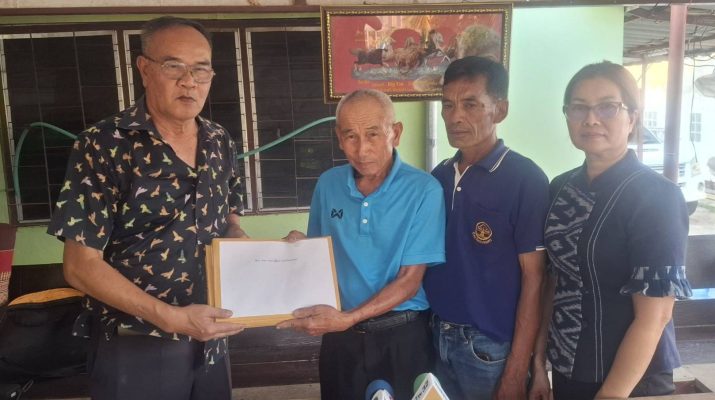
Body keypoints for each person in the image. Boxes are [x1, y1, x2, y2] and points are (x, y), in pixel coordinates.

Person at [46, 16, 248, 400]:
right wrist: (170, 317)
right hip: (136, 342)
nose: (189, 81)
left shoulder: (219, 141)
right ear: (145, 69)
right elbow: (80, 266)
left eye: (201, 69)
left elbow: (230, 218)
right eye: (174, 66)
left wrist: (250, 245)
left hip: (212, 335)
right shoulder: (104, 144)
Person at [529, 61, 693, 400]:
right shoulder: (560, 188)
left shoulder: (656, 197)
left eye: (607, 107)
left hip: (632, 380)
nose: (591, 119)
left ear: (632, 117)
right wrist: (539, 363)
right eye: (579, 108)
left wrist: (611, 394)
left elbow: (656, 316)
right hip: (568, 368)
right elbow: (554, 282)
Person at [278, 89, 446, 400]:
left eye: (372, 134)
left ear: (395, 133)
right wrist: (299, 248)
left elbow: (410, 281)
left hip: (402, 337)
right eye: (350, 136)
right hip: (341, 337)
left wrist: (349, 318)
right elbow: (320, 255)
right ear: (339, 138)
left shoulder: (424, 190)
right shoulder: (328, 184)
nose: (362, 149)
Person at [422, 56, 549, 400]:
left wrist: (517, 371)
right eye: (448, 105)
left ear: (500, 110)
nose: (455, 117)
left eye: (470, 104)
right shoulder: (439, 177)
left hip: (490, 349)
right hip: (437, 337)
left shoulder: (525, 179)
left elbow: (535, 279)